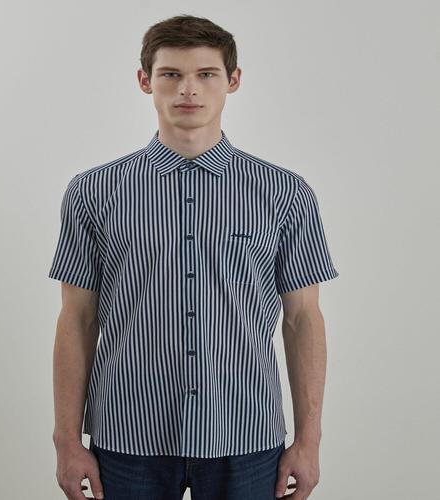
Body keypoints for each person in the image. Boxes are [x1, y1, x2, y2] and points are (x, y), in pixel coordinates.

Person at [48, 14, 339, 500]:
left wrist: (309, 441)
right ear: (145, 81)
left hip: (246, 435)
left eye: (206, 74)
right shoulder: (93, 192)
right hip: (127, 436)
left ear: (233, 80)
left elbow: (303, 319)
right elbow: (77, 319)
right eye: (171, 74)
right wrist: (66, 439)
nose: (188, 89)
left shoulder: (285, 193)